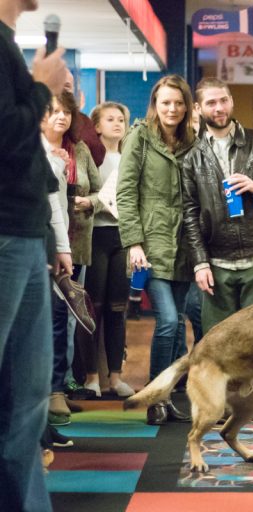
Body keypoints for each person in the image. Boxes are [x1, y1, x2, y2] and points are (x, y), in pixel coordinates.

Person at [0, 0, 68, 509]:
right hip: (4, 233)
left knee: (28, 404)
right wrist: (40, 86)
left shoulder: (9, 47)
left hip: (25, 232)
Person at [182, 77, 253, 333]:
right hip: (218, 264)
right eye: (211, 103)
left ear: (231, 101)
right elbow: (190, 214)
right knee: (220, 344)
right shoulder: (192, 158)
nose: (219, 108)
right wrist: (200, 263)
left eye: (224, 100)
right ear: (198, 109)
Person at [117, 74, 196, 425]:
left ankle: (164, 397)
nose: (172, 109)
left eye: (178, 103)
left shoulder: (194, 141)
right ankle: (153, 397)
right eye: (166, 102)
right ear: (155, 104)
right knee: (166, 321)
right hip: (150, 245)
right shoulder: (140, 137)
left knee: (178, 326)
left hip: (185, 247)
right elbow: (125, 193)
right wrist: (133, 242)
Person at [41, 91, 102, 425]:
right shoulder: (33, 149)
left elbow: (57, 209)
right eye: (52, 111)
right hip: (30, 246)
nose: (59, 117)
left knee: (61, 318)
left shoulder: (73, 151)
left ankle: (56, 390)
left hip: (65, 243)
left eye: (65, 112)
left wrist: (63, 249)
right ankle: (45, 396)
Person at [76, 101, 134, 398]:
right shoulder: (88, 155)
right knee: (93, 307)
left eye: (121, 119)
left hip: (122, 236)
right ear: (96, 126)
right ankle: (91, 377)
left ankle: (115, 376)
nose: (117, 124)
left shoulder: (129, 156)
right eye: (110, 119)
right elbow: (84, 193)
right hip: (95, 235)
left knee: (118, 308)